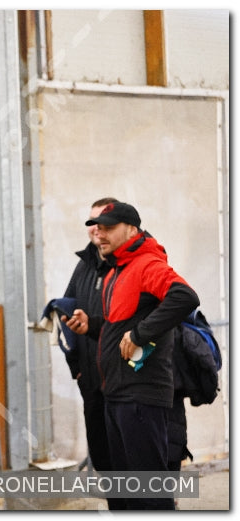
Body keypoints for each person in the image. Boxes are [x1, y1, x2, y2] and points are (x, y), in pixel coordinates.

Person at [64, 201, 199, 510]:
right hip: (116, 392)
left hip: (141, 394)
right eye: (97, 228)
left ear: (132, 229)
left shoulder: (146, 263)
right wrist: (92, 325)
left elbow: (185, 297)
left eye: (109, 228)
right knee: (125, 488)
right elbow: (118, 326)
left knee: (149, 492)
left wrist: (140, 334)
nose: (100, 234)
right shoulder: (117, 269)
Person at [61, 197, 126, 510]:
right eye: (91, 224)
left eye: (102, 224)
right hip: (93, 384)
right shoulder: (85, 264)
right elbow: (67, 315)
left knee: (142, 467)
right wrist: (77, 368)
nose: (95, 231)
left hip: (129, 386)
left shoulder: (135, 264)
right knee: (106, 463)